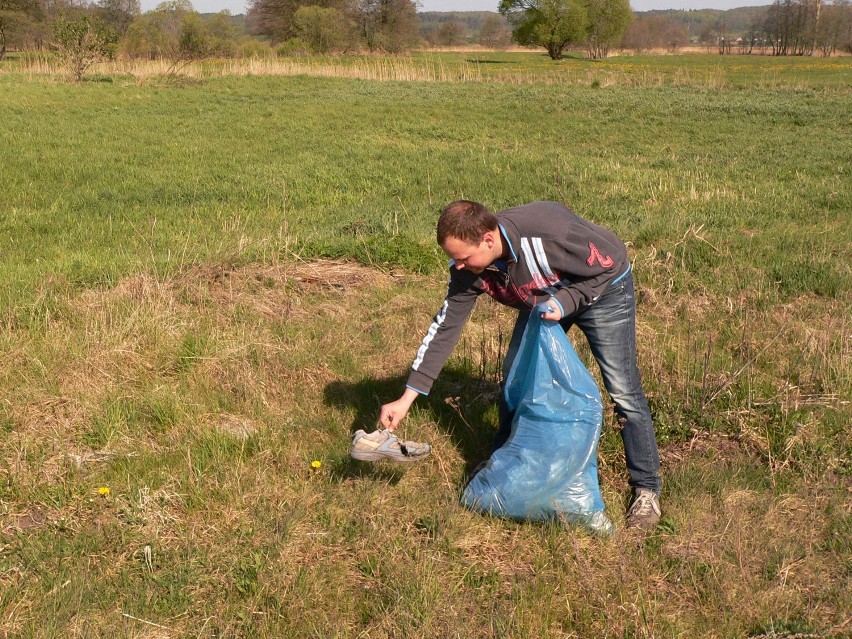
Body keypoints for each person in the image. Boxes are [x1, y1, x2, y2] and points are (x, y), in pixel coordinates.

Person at [352, 200, 662, 530]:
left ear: (488, 239)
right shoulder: (468, 269)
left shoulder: (548, 230)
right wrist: (407, 398)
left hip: (603, 295)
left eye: (463, 257)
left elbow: (612, 260)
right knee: (516, 378)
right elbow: (445, 328)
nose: (457, 266)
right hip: (545, 300)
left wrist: (567, 301)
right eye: (452, 258)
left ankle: (646, 489)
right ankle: (504, 468)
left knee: (623, 389)